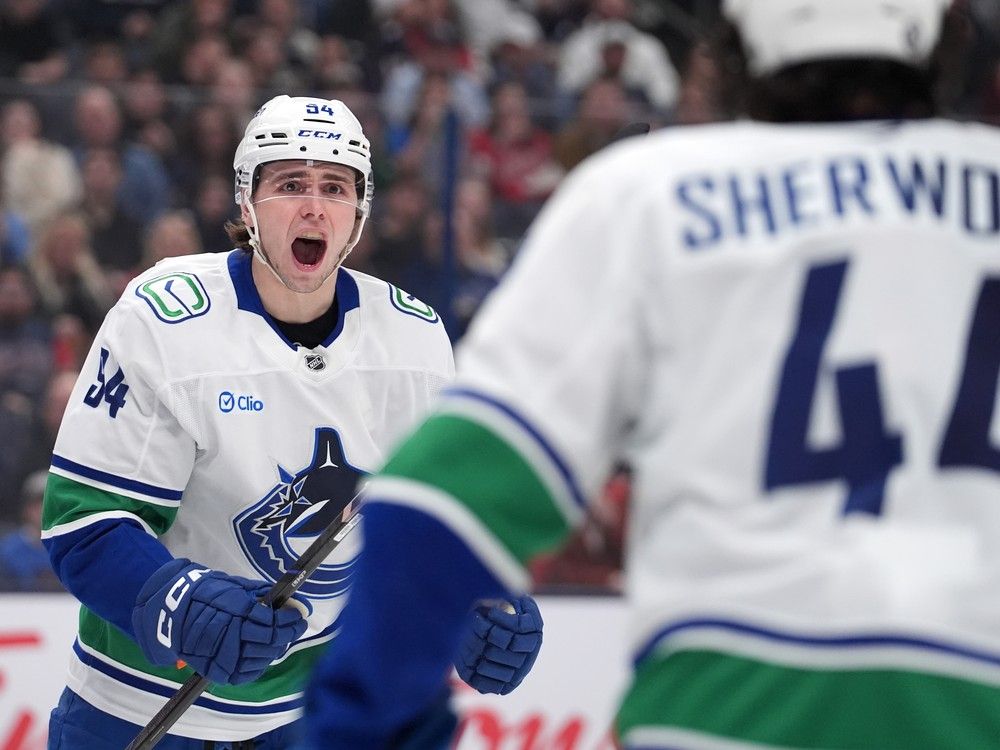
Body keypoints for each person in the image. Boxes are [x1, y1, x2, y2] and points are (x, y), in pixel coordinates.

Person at [301, 2, 1000, 748]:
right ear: (944, 38)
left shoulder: (649, 194)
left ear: (734, 44)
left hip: (719, 709)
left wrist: (366, 720)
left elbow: (442, 497)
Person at [41, 95, 543, 749]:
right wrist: (178, 600)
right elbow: (84, 522)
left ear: (359, 212)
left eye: (335, 187)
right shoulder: (163, 318)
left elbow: (439, 526)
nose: (314, 206)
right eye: (290, 184)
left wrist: (479, 603)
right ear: (247, 206)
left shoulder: (413, 341)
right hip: (134, 708)